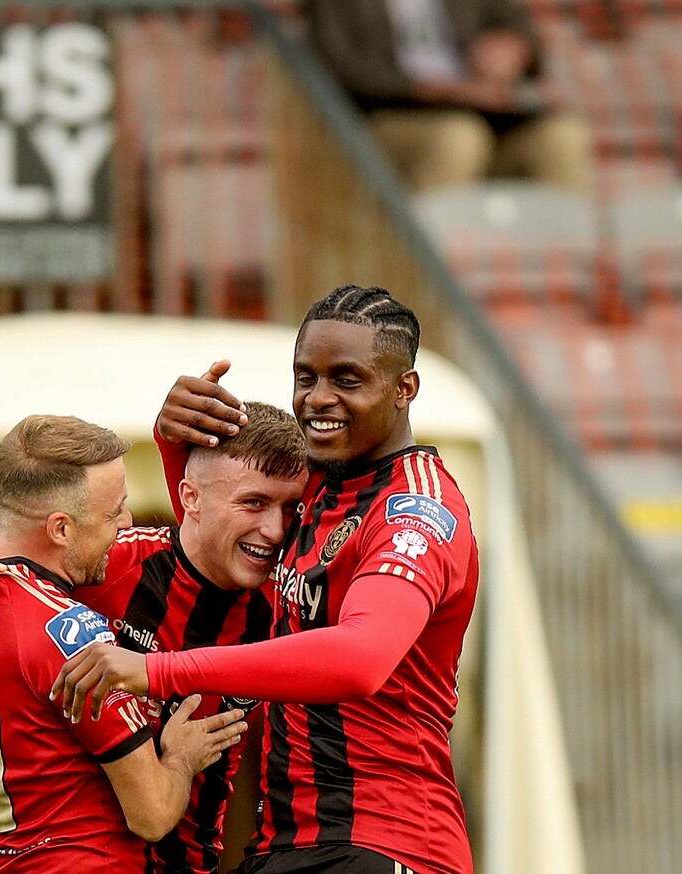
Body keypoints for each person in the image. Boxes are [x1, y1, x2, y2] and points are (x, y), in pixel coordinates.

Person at [51, 285, 480, 874]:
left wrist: (156, 671)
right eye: (306, 378)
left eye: (347, 380)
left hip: (387, 843)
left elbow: (360, 659)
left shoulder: (415, 508)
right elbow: (225, 533)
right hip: (289, 847)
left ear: (405, 390)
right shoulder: (320, 491)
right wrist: (176, 445)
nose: (319, 399)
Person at [0, 402, 309, 873]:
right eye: (254, 503)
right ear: (190, 498)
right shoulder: (102, 578)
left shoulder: (295, 596)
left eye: (293, 508)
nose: (275, 529)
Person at [306, 0, 592, 193]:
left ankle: (565, 276)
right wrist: (435, 89)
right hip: (388, 116)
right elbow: (337, 66)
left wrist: (513, 47)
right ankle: (431, 276)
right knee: (458, 138)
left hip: (483, 114)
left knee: (564, 136)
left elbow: (517, 28)